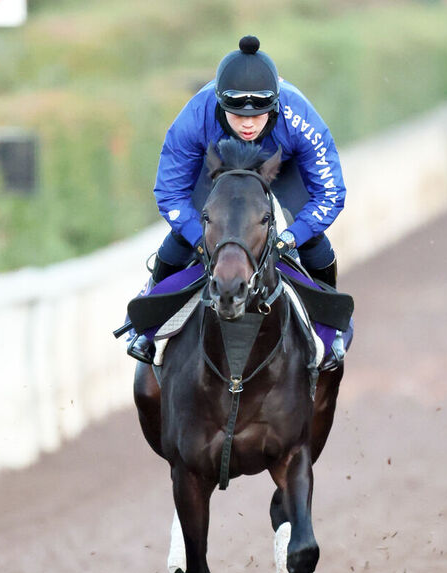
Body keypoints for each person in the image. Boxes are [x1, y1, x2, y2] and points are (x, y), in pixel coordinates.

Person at [128, 35, 346, 362]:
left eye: (258, 115)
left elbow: (330, 194)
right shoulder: (195, 115)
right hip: (217, 173)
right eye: (236, 114)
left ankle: (332, 329)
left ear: (274, 106)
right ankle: (145, 328)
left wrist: (290, 238)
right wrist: (200, 240)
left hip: (281, 172)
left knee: (315, 242)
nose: (247, 123)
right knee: (182, 238)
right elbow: (170, 193)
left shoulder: (298, 115)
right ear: (219, 104)